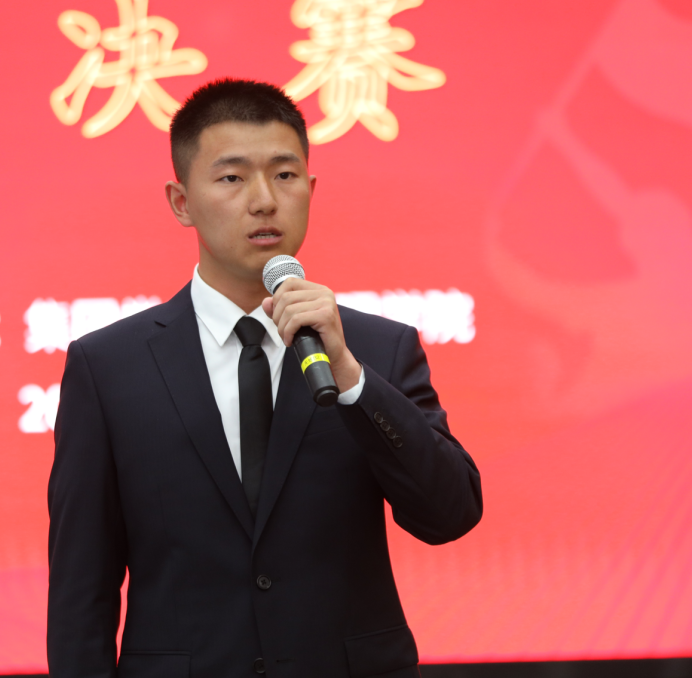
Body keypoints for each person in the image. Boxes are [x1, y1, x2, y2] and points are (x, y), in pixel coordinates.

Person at [48, 78, 482, 678]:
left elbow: (450, 513)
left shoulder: (377, 349)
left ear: (311, 188)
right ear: (181, 201)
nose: (264, 200)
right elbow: (81, 589)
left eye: (284, 174)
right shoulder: (108, 367)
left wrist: (352, 378)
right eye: (232, 178)